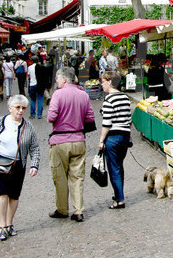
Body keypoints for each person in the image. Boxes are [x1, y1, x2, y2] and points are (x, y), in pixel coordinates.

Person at [0, 95, 40, 241]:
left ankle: (10, 223)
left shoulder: (28, 126)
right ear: (10, 108)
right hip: (0, 163)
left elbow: (35, 147)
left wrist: (34, 164)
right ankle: (2, 225)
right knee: (2, 193)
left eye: (23, 108)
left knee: (14, 195)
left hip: (18, 165)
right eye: (17, 107)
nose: (20, 111)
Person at [47, 67, 95, 222]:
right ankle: (78, 211)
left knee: (60, 177)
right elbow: (90, 117)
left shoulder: (58, 94)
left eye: (58, 79)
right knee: (77, 177)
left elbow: (51, 117)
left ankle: (62, 209)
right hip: (79, 140)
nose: (56, 81)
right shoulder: (83, 95)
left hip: (60, 141)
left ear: (64, 79)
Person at [98, 71, 132, 209]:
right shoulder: (124, 97)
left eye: (103, 81)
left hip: (113, 137)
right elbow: (128, 118)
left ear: (110, 81)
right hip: (124, 136)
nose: (102, 84)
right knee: (119, 167)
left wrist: (101, 140)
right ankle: (119, 195)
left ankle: (119, 199)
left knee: (114, 168)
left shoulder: (109, 99)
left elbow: (107, 123)